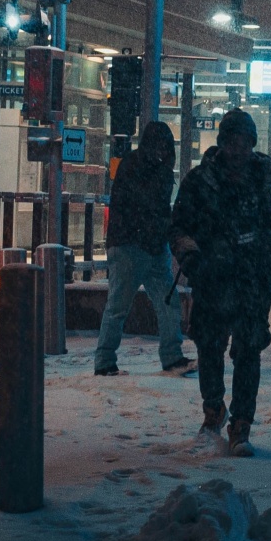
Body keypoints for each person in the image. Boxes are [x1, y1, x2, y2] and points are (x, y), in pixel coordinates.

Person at [170, 108, 271, 454]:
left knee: (248, 352)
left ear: (252, 143)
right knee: (209, 350)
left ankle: (241, 425)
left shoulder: (268, 180)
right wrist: (191, 254)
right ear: (223, 142)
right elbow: (179, 226)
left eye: (244, 141)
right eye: (232, 140)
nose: (238, 148)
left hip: (252, 283)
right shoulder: (199, 182)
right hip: (212, 280)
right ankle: (213, 410)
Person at [91, 120, 186, 376]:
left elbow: (140, 207)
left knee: (121, 306)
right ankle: (171, 356)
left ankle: (106, 360)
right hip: (139, 246)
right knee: (164, 302)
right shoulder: (155, 171)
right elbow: (153, 208)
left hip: (134, 245)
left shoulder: (132, 165)